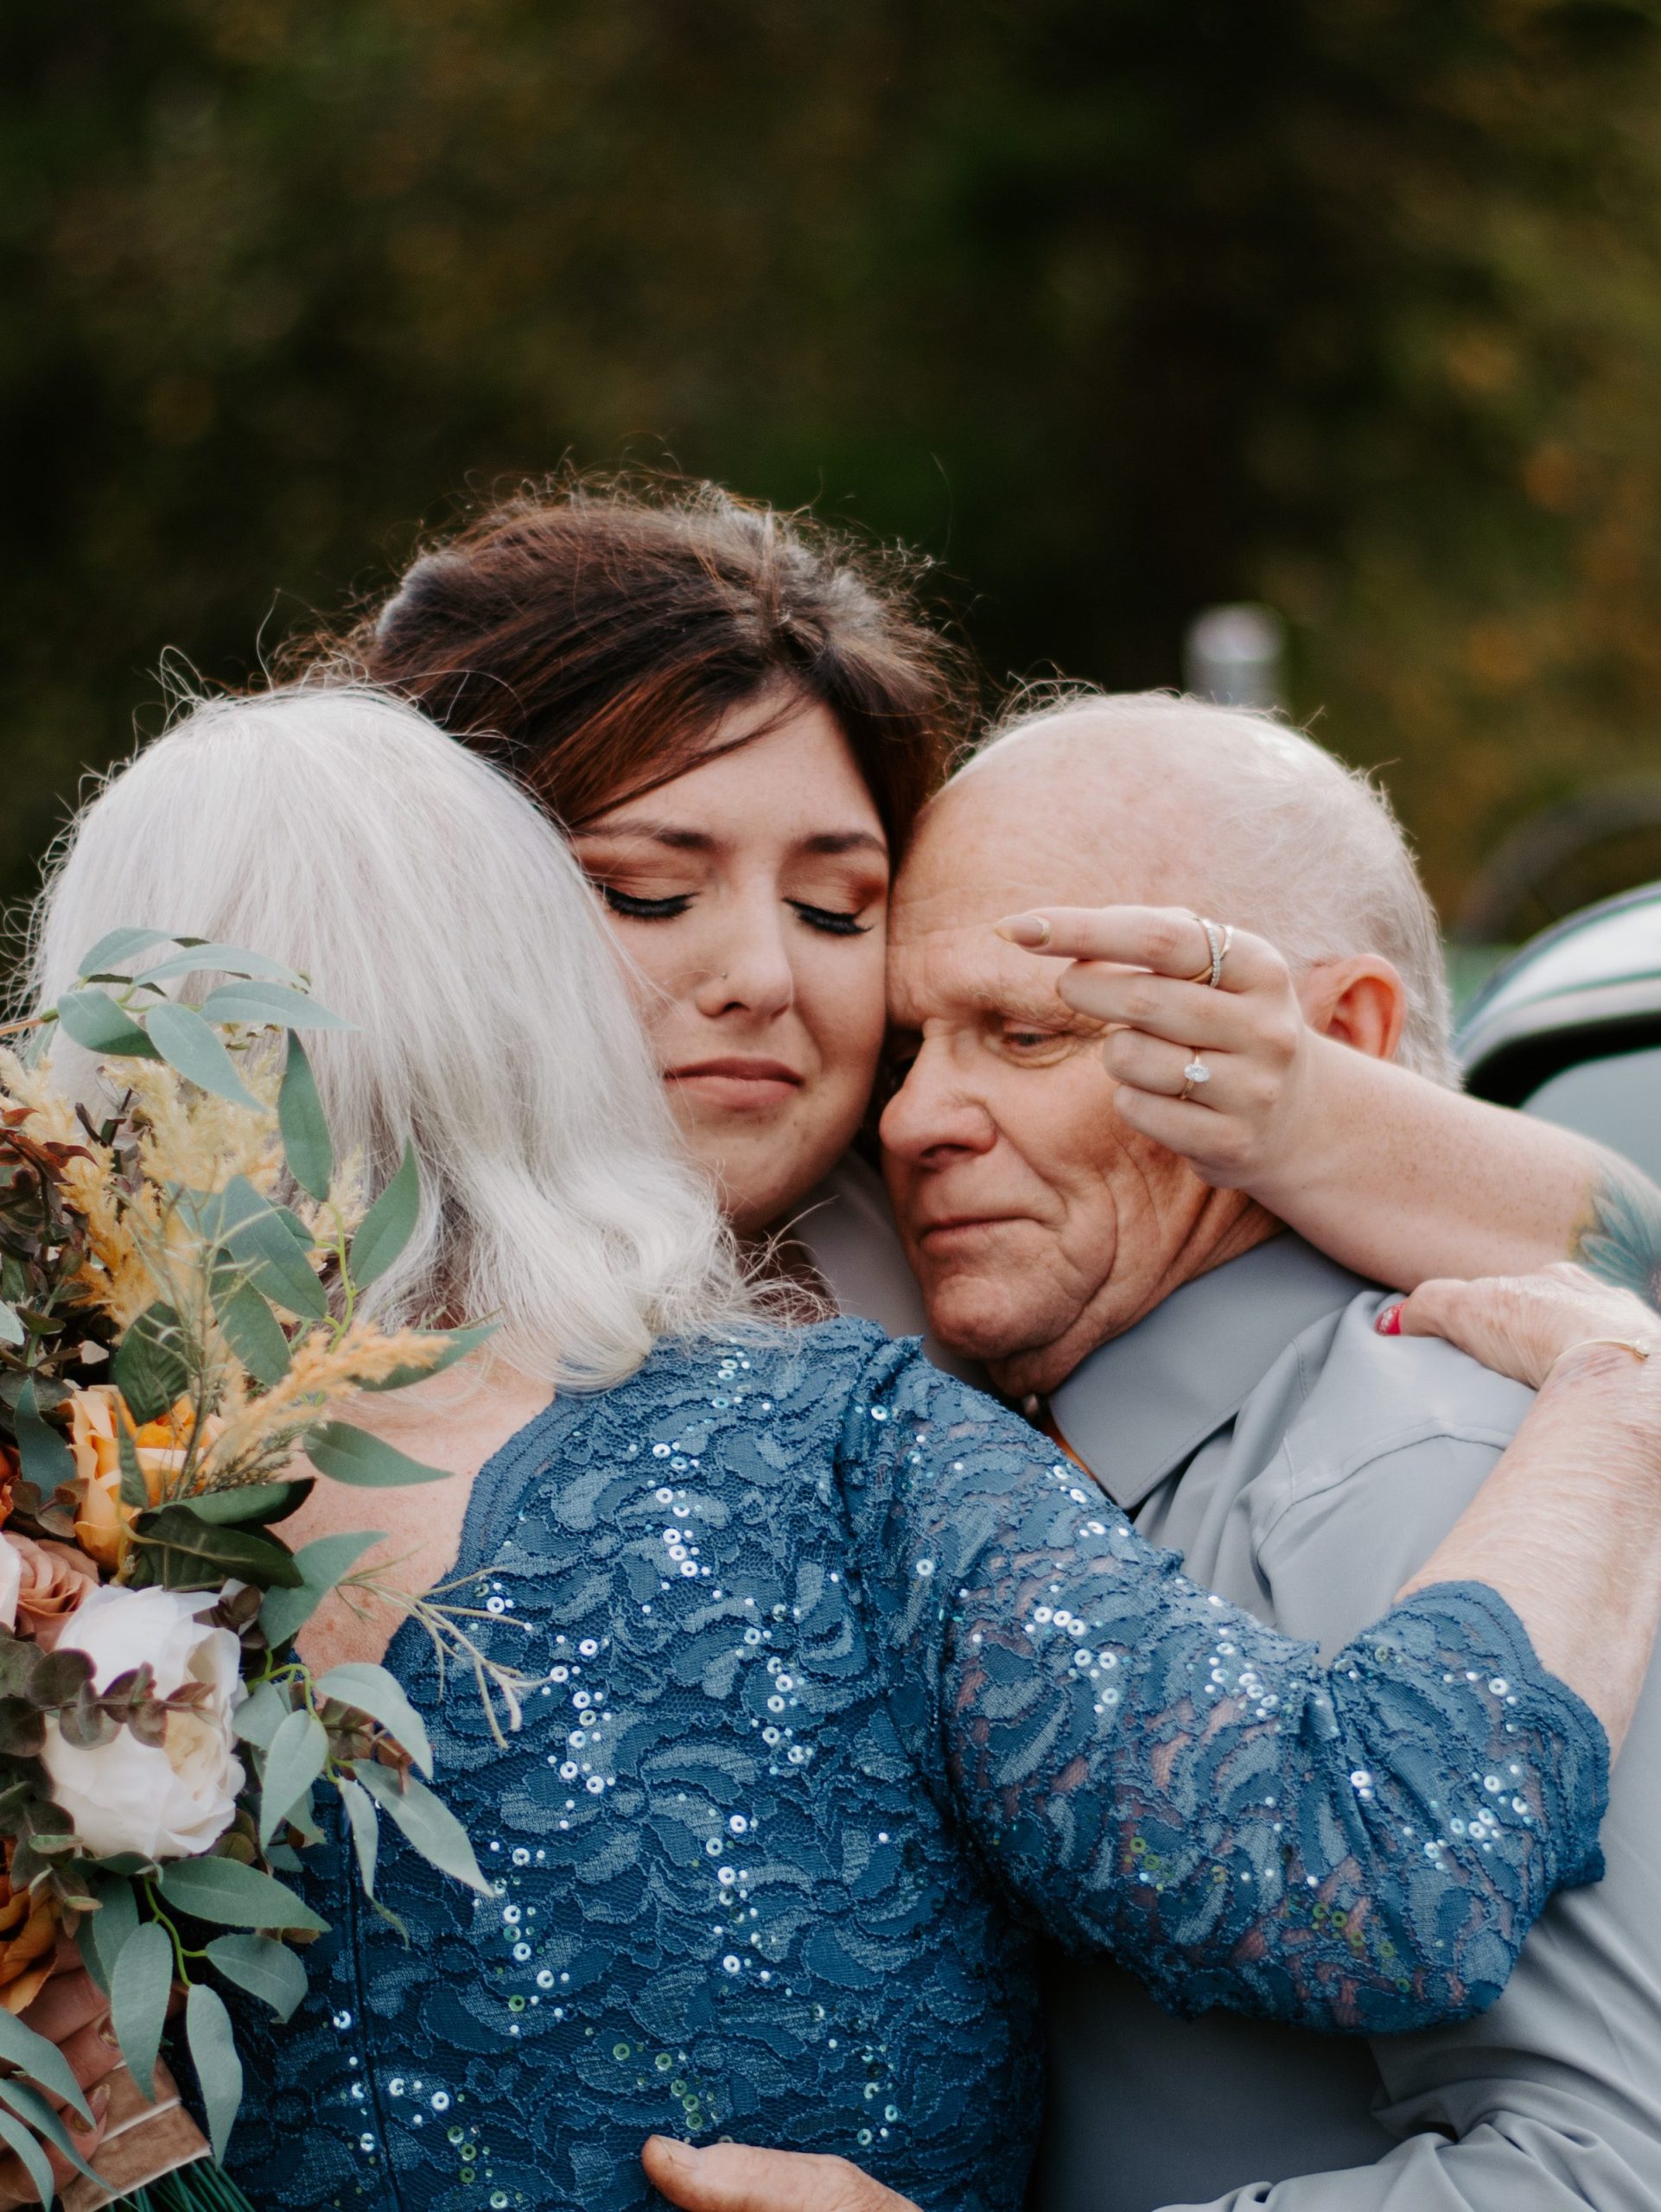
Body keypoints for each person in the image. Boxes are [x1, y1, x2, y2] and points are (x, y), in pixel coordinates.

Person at [19, 683, 1661, 2212]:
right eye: (647, 897)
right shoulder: (837, 1415)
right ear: (547, 986)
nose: (906, 1110)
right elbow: (1380, 1868)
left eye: (1013, 1031)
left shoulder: (75, 1539)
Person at [645, 692, 1661, 2212]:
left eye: (1029, 1031)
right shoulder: (957, 1419)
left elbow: (1600, 2175)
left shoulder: (1428, 1465)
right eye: (910, 1044)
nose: (915, 1117)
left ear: (1342, 1046)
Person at [336, 474, 1657, 1325]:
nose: (764, 974)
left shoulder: (935, 1212)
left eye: (837, 910)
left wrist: (1302, 1103)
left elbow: (1628, 1244)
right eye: (647, 892)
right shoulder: (207, 1293)